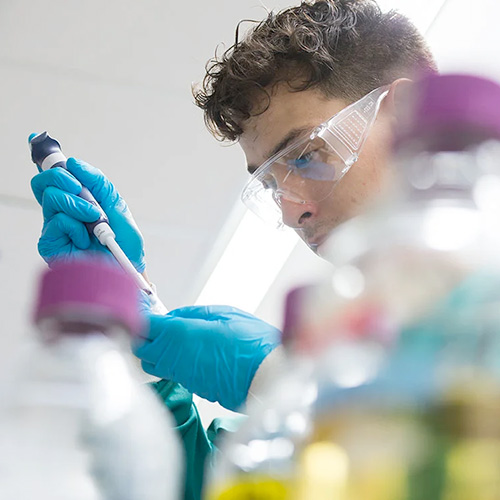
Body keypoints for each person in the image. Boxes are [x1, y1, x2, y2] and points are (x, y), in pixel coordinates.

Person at [29, 1, 437, 498]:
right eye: (269, 184)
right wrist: (134, 333)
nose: (290, 211)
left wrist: (281, 382)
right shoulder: (366, 338)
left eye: (307, 154)